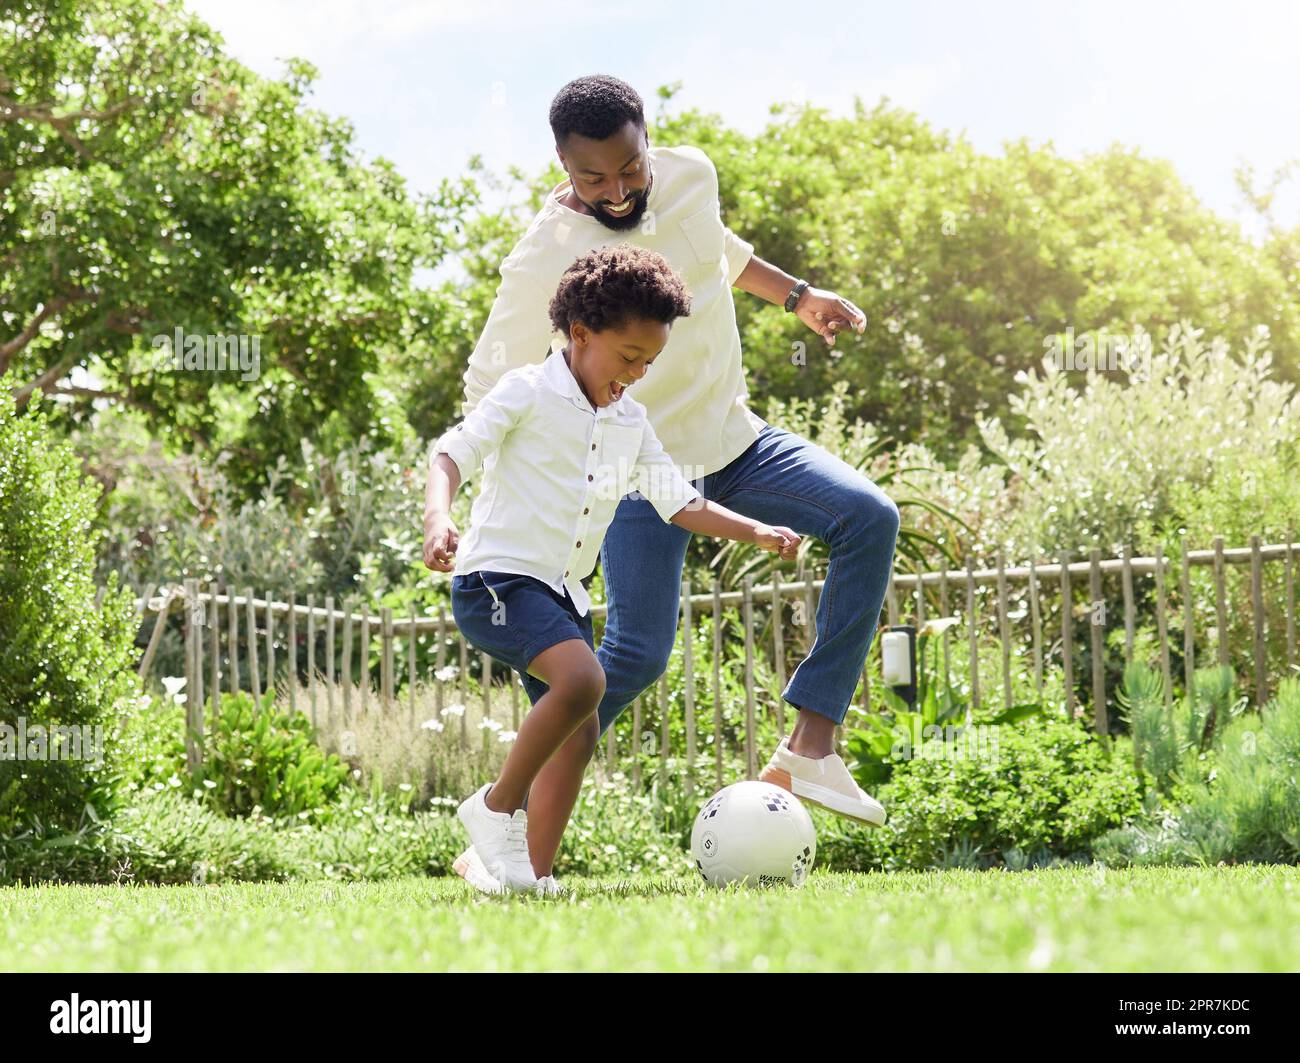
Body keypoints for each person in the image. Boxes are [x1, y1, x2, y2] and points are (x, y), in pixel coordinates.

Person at [439, 74, 899, 892]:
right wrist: (503, 480)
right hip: (638, 474)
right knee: (632, 661)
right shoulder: (542, 256)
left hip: (736, 440)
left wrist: (795, 296)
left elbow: (720, 253)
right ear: (561, 166)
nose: (616, 192)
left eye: (629, 170)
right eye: (593, 180)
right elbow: (486, 381)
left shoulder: (693, 175)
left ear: (648, 142)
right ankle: (512, 846)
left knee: (868, 515)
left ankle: (811, 744)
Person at [424, 244, 801, 894]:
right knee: (584, 679)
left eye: (649, 362)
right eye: (628, 357)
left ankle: (525, 872)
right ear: (580, 333)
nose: (637, 373)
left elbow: (678, 500)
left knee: (580, 726)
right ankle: (493, 808)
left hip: (562, 594)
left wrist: (756, 530)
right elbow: (450, 454)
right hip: (496, 581)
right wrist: (438, 518)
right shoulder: (526, 390)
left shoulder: (629, 421)